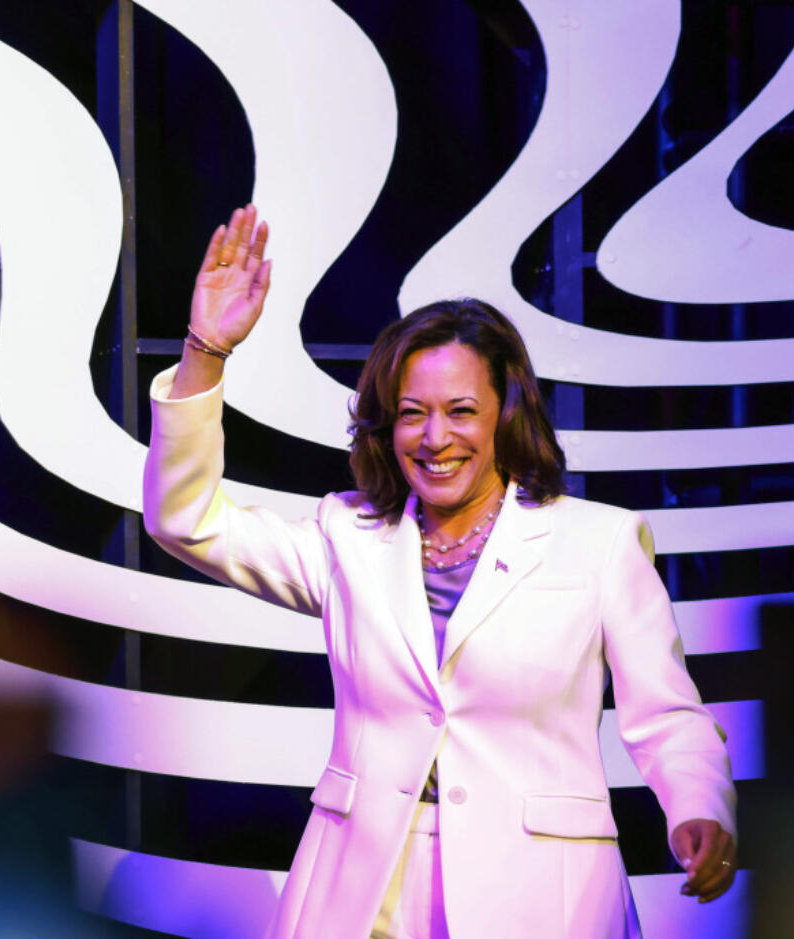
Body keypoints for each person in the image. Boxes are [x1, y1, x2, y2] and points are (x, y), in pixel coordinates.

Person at [143, 205, 737, 939]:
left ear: (504, 416)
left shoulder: (601, 543)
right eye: (411, 413)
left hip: (540, 895)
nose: (434, 437)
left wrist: (700, 807)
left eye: (460, 411)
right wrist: (207, 348)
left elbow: (668, 714)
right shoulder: (346, 537)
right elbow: (184, 520)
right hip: (362, 893)